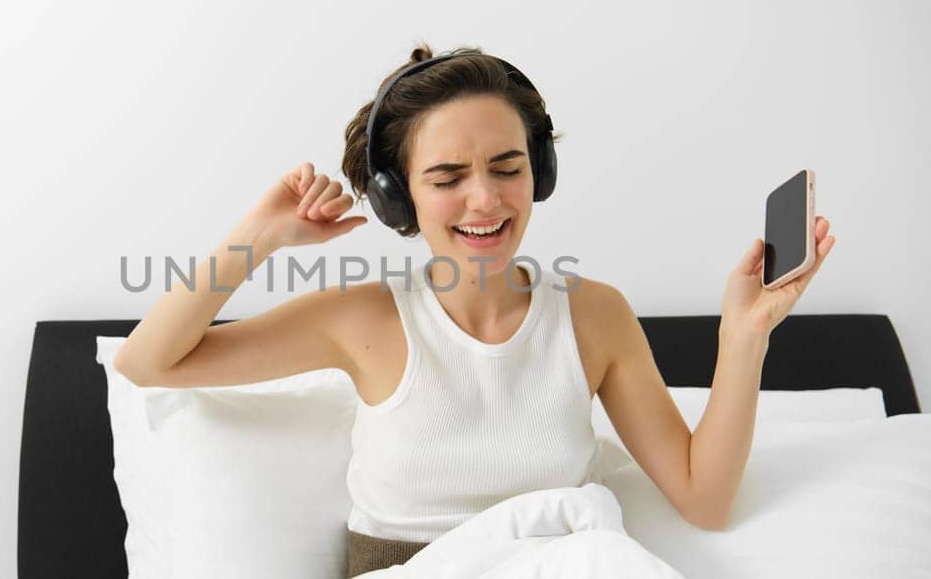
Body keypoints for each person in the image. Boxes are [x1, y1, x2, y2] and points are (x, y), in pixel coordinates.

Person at [112, 42, 836, 576]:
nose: (485, 200)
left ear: (539, 172)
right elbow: (147, 363)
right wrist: (261, 237)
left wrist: (744, 339)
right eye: (447, 177)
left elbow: (704, 500)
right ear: (399, 198)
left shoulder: (594, 317)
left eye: (508, 167)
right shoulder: (362, 320)